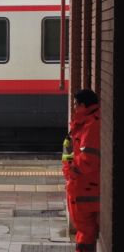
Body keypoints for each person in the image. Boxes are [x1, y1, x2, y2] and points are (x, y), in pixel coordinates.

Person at [62, 89, 100, 252]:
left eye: (76, 104)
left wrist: (71, 172)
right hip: (81, 184)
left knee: (85, 231)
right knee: (83, 229)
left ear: (83, 106)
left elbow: (88, 159)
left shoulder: (91, 126)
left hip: (85, 186)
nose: (74, 107)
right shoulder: (85, 122)